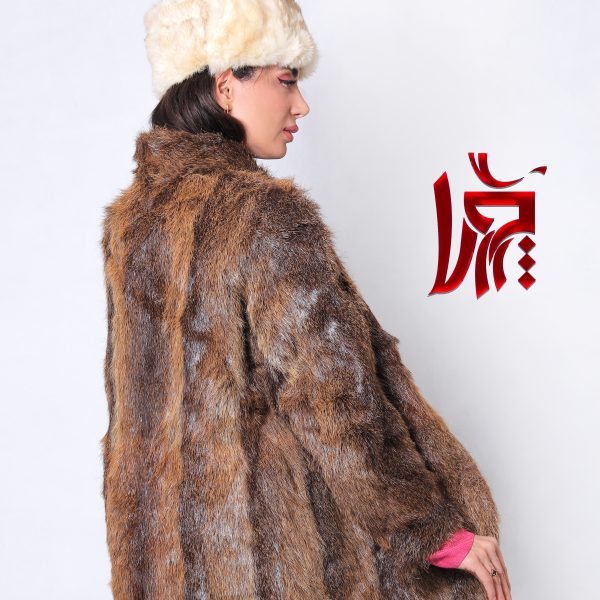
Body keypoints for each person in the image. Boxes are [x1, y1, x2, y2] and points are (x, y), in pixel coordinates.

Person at [100, 1, 512, 598]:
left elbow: (133, 422)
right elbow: (333, 400)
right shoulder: (262, 215)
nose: (301, 106)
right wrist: (433, 532)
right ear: (225, 86)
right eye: (286, 80)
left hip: (167, 574)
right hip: (275, 568)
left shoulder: (132, 223)